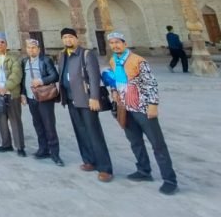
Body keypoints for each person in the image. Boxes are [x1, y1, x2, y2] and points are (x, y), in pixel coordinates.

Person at [108, 31, 178, 195]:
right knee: (135, 141)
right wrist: (114, 91)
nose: (115, 45)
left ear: (124, 44)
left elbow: (150, 83)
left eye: (118, 42)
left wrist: (153, 104)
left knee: (157, 144)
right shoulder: (113, 61)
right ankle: (144, 170)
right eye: (112, 43)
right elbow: (114, 80)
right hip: (125, 107)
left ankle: (169, 179)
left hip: (142, 107)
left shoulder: (138, 60)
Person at [58, 27, 113, 183]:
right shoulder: (62, 55)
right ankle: (89, 160)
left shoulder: (86, 54)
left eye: (70, 37)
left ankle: (105, 168)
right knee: (80, 131)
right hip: (70, 98)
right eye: (65, 38)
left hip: (85, 99)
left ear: (76, 39)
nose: (68, 40)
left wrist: (94, 97)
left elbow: (94, 77)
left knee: (94, 133)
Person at [21, 38, 62, 166]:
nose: (31, 50)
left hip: (44, 97)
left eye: (33, 47)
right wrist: (22, 94)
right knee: (38, 124)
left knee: (49, 125)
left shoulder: (45, 60)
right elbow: (23, 79)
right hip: (31, 98)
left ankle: (55, 154)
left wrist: (41, 81)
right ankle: (43, 149)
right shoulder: (24, 62)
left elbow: (54, 75)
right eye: (29, 48)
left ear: (38, 49)